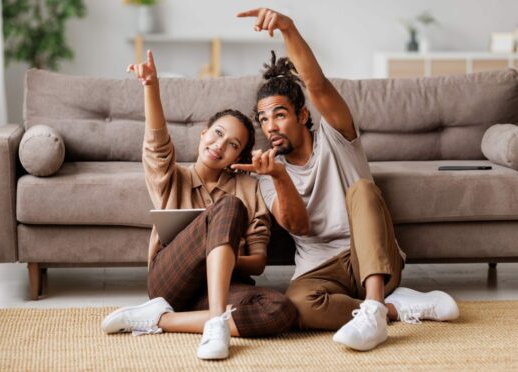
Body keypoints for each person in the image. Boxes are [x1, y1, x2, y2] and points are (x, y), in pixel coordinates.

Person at [233, 8, 459, 351]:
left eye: (279, 114)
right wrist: (279, 177)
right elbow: (300, 225)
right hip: (321, 271)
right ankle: (392, 309)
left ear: (302, 115)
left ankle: (371, 308)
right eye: (264, 120)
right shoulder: (269, 172)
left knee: (364, 190)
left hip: (371, 259)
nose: (271, 126)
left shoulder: (336, 136)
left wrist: (288, 29)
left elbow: (317, 84)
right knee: (299, 306)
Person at [101, 50, 297, 360]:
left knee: (282, 310)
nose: (220, 145)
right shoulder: (172, 177)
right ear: (203, 134)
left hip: (220, 287)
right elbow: (157, 140)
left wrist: (222, 257)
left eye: (232, 144)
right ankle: (218, 322)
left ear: (238, 157)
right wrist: (151, 86)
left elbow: (258, 261)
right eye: (217, 134)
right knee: (230, 208)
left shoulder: (249, 188)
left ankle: (159, 319)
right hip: (171, 282)